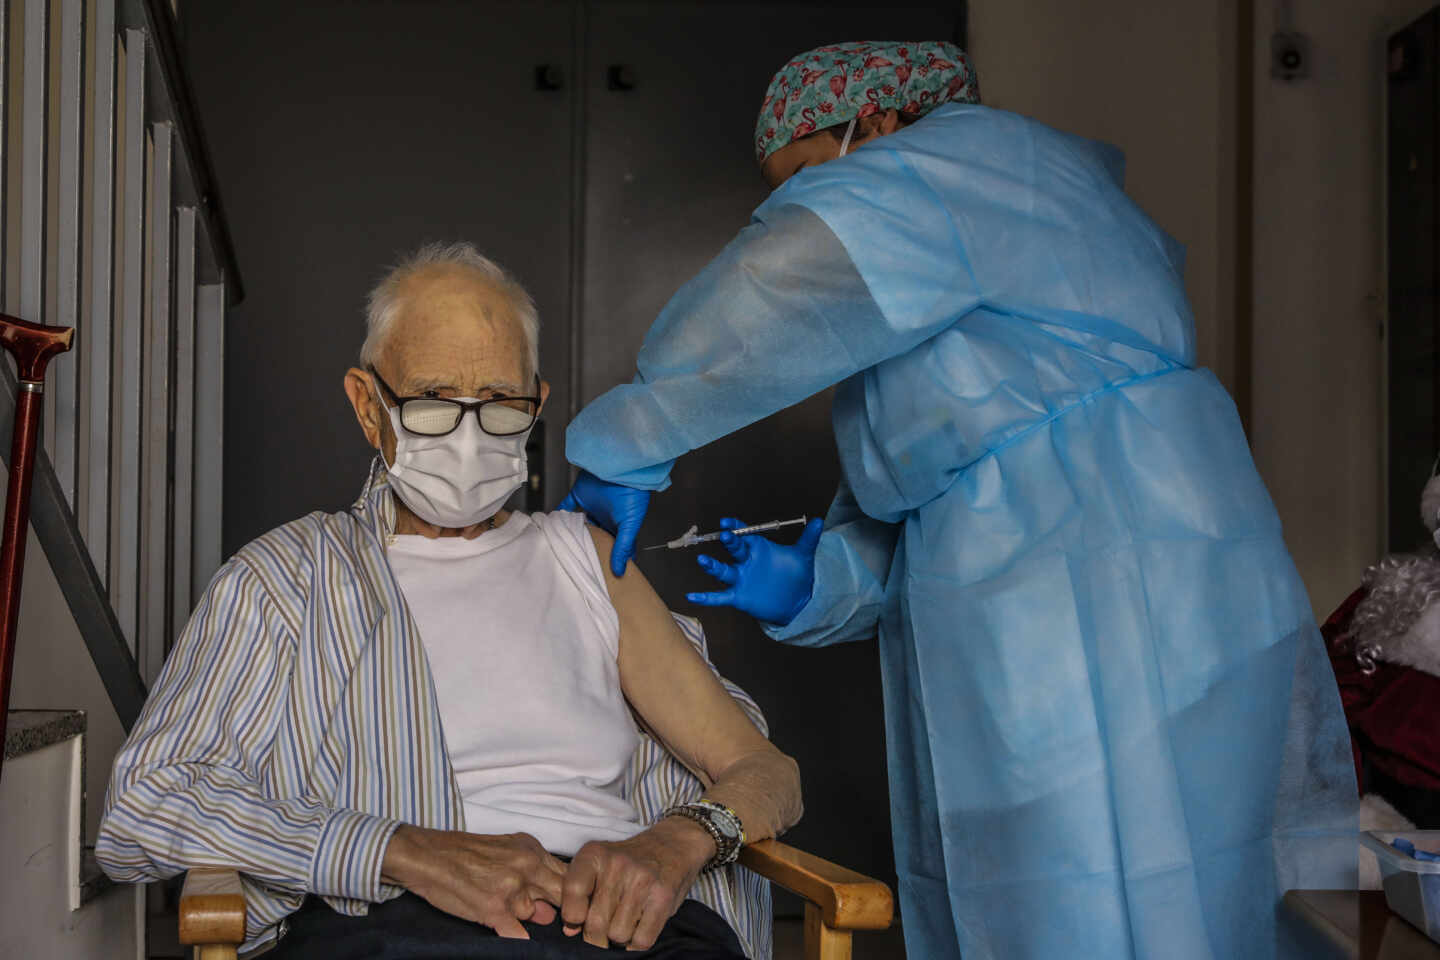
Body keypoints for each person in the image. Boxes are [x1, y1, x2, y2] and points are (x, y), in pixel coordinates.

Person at [561, 40, 1357, 959]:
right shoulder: (963, 283)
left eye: (813, 177)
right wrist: (816, 583)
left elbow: (774, 289)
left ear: (883, 122)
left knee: (1123, 895)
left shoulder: (973, 163)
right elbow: (946, 494)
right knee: (1074, 894)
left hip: (1118, 582)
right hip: (1095, 585)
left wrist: (632, 436)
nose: (795, 212)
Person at [96, 243, 801, 959]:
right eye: (433, 403)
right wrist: (403, 851)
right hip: (393, 921)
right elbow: (146, 805)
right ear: (369, 407)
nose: (468, 438)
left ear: (538, 406)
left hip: (618, 922)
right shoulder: (289, 578)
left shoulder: (585, 559)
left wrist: (673, 844)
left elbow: (765, 770)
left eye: (499, 404)